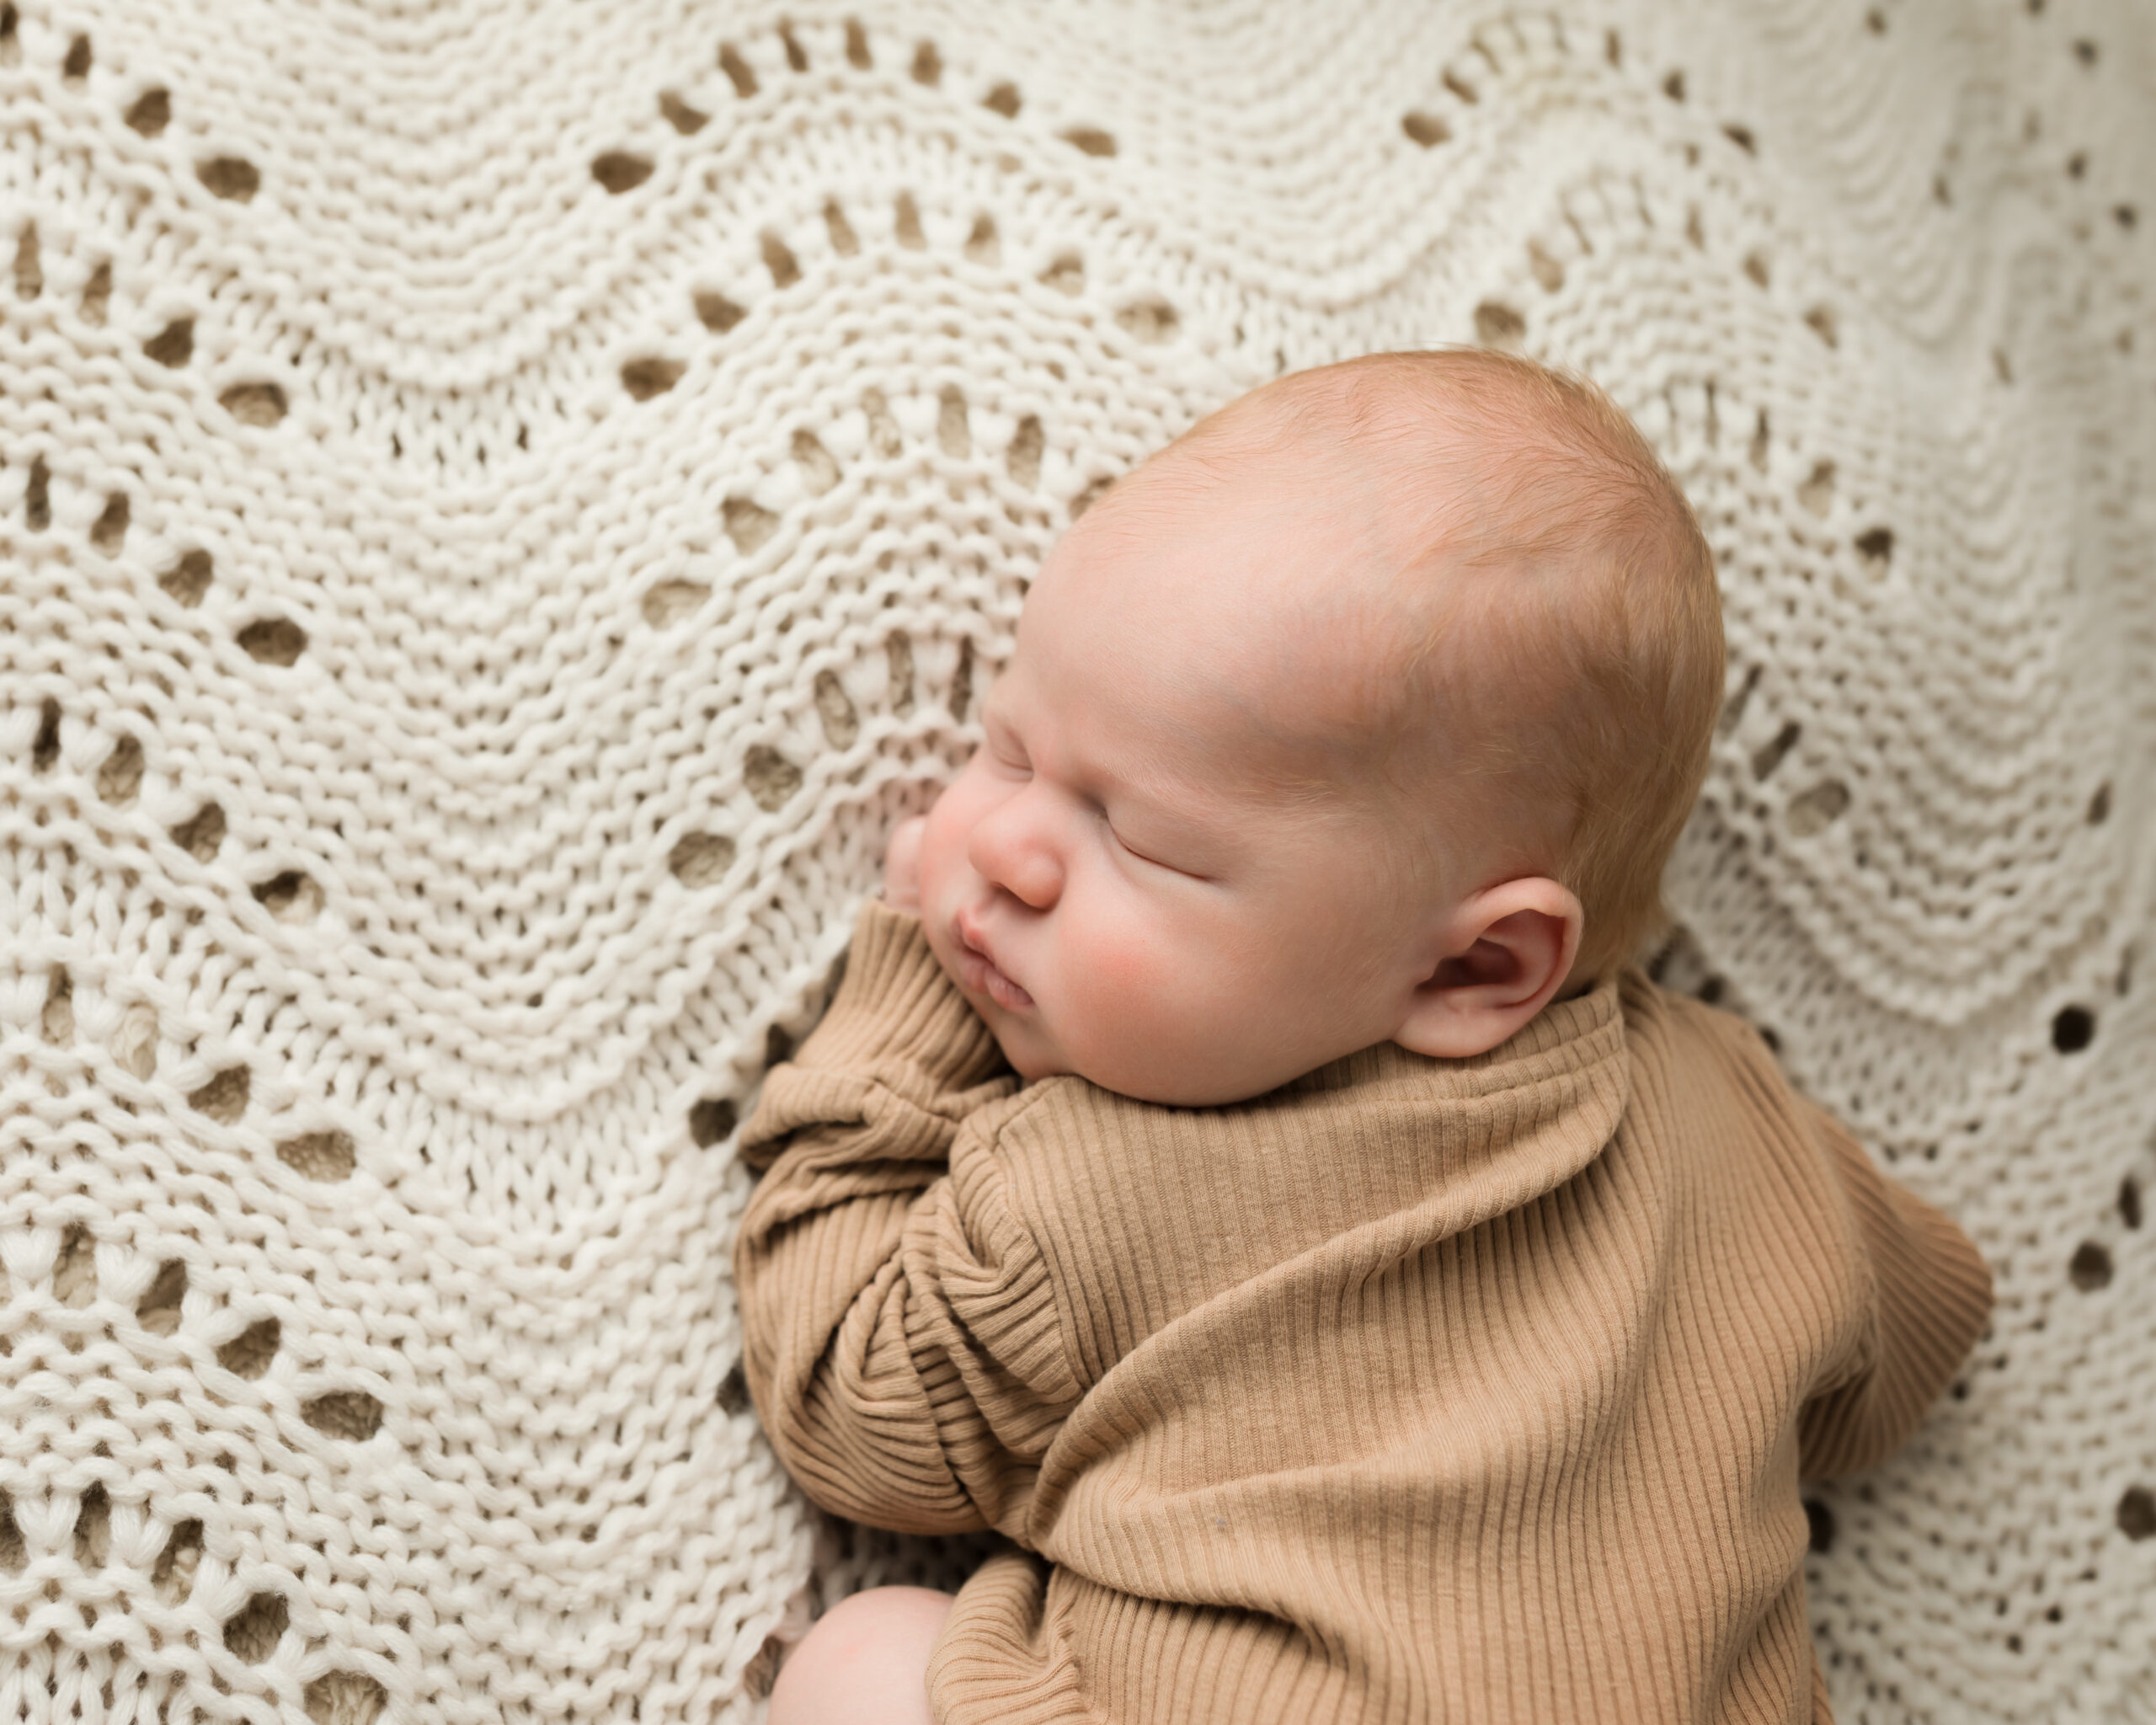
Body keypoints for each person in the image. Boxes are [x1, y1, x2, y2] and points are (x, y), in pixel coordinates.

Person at [732, 350, 1992, 1724]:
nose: (1008, 849)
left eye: (1138, 839)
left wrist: (919, 984)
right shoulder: (1749, 1129)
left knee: (867, 1659)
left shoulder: (1078, 1199)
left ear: (1474, 966)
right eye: (1010, 750)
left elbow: (841, 1403)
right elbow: (1924, 1332)